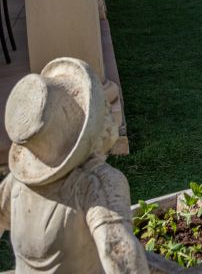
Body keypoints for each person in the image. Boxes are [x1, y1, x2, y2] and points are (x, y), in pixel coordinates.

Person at [0, 57, 149, 273]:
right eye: (100, 105)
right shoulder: (94, 183)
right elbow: (121, 256)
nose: (107, 106)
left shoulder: (16, 185)